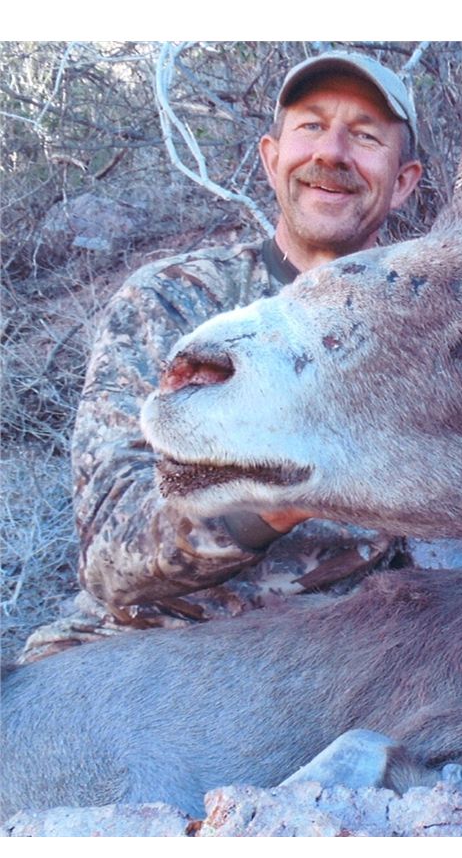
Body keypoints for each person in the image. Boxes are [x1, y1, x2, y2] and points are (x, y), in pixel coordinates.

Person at [21, 50, 424, 662]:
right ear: (271, 157)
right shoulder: (172, 301)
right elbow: (110, 558)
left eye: (365, 136)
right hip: (147, 649)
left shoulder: (428, 332)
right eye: (311, 125)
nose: (332, 152)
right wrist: (290, 491)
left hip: (347, 658)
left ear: (404, 182)